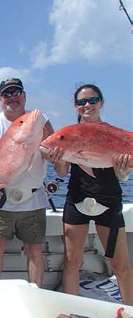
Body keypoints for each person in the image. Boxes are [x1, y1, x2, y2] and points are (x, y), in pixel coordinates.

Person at [47, 84, 133, 304]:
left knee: (120, 265)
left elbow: (122, 176)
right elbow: (62, 172)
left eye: (92, 100)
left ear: (101, 103)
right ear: (75, 107)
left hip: (109, 201)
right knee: (72, 261)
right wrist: (58, 160)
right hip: (76, 201)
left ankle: (130, 315)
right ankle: (71, 313)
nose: (87, 105)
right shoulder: (70, 134)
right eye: (81, 102)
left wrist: (123, 167)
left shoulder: (115, 134)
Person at [0, 78, 54, 287]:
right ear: (0, 99)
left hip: (33, 198)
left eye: (16, 92)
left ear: (24, 95)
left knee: (34, 248)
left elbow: (53, 151)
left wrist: (50, 148)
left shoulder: (40, 119)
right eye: (7, 94)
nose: (12, 97)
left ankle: (35, 292)